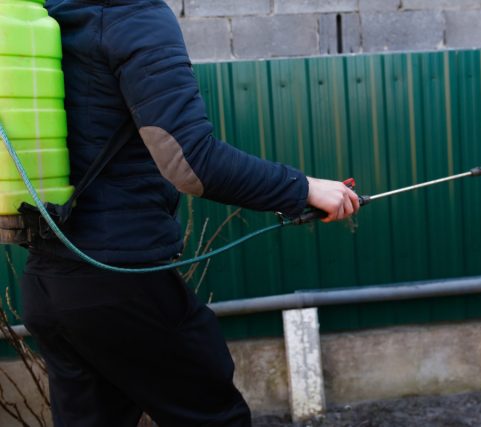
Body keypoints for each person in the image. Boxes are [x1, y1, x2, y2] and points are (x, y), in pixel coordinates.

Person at [20, 0, 360, 426]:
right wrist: (303, 188)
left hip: (47, 281)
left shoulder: (48, 16)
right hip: (122, 283)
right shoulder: (134, 15)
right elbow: (192, 162)